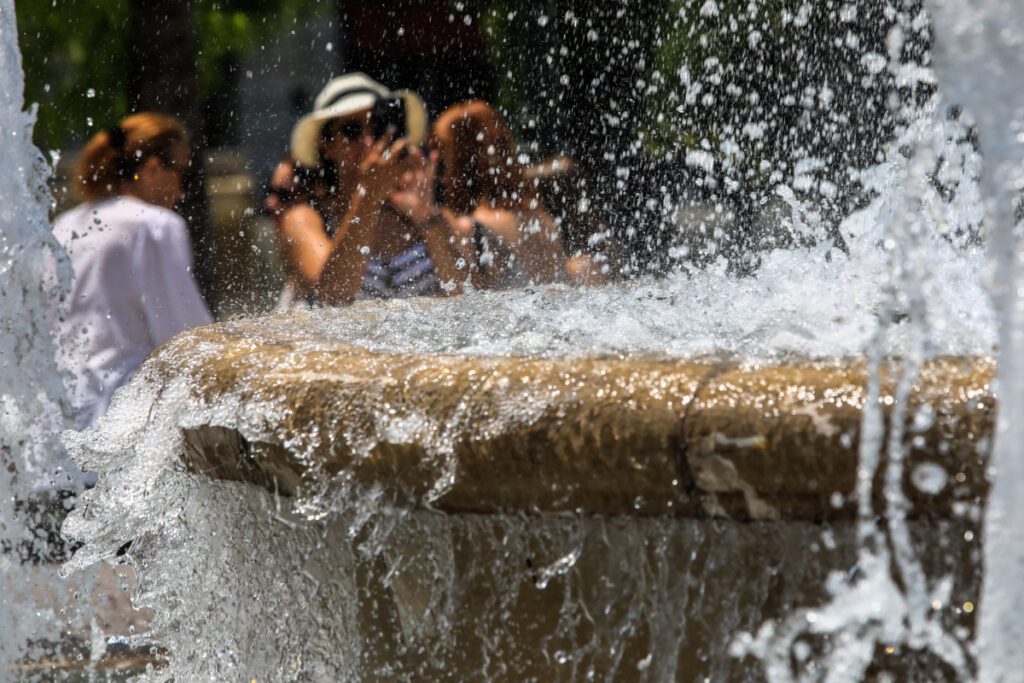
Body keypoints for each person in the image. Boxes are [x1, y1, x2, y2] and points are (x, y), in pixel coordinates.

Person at [53, 112, 212, 430]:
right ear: (152, 169)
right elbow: (189, 342)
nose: (182, 189)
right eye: (183, 172)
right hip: (121, 423)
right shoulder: (154, 225)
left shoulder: (63, 226)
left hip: (55, 427)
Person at [279, 73, 474, 307]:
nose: (368, 140)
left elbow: (467, 300)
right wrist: (369, 196)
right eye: (352, 130)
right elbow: (334, 294)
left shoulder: (428, 214)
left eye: (378, 126)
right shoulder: (303, 220)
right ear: (328, 145)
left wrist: (426, 218)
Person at [430, 100, 580, 289]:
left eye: (441, 157)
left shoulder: (468, 230)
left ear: (457, 163)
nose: (440, 176)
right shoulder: (542, 219)